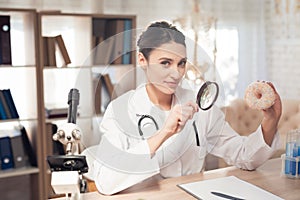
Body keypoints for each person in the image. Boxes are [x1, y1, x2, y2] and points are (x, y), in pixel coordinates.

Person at [82, 21, 282, 195]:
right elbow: (105, 182)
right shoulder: (121, 110)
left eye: (181, 63)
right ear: (142, 60)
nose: (176, 74)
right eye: (165, 63)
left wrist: (271, 120)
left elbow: (245, 157)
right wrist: (164, 133)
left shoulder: (199, 104)